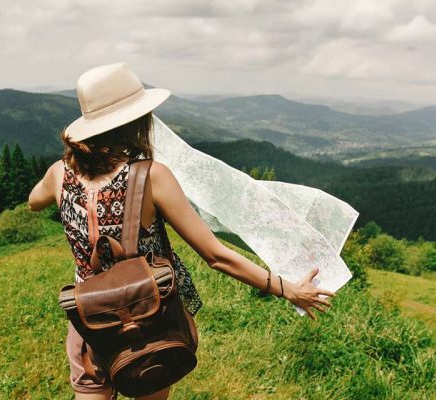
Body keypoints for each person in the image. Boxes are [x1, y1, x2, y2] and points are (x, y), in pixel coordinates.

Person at [27, 62, 334, 400]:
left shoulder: (59, 173)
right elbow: (215, 255)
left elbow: (33, 202)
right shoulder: (150, 177)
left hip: (90, 322)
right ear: (136, 122)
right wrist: (285, 288)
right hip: (149, 319)